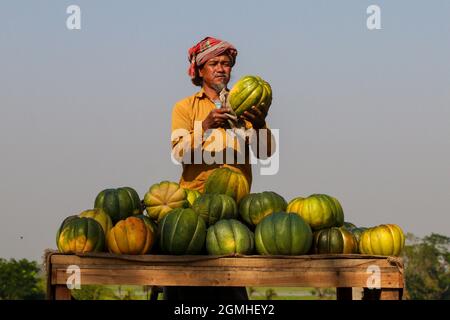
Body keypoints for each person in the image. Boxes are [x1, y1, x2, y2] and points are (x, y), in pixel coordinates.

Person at [166, 36, 275, 301]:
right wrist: (205, 126)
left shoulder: (244, 107)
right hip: (193, 207)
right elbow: (178, 153)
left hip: (235, 208)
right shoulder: (185, 108)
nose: (221, 69)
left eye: (226, 63)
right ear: (200, 70)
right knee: (186, 285)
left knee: (231, 285)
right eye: (213, 63)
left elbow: (265, 153)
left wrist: (259, 124)